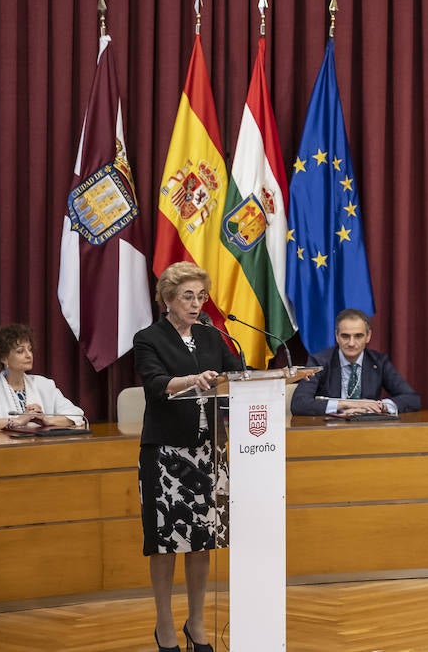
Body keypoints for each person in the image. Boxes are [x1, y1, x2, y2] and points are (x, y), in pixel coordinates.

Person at [132, 262, 243, 652]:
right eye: (187, 296)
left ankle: (196, 624)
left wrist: (280, 378)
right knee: (164, 544)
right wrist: (192, 381)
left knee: (201, 541)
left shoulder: (212, 336)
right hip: (166, 455)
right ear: (166, 299)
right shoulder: (149, 338)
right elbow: (156, 384)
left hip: (208, 452)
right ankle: (164, 626)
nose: (196, 304)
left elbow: (236, 375)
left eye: (201, 296)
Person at [290, 308, 420, 416]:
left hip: (367, 429)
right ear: (337, 336)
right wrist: (347, 404)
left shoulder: (379, 362)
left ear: (368, 336)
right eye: (345, 336)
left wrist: (381, 406)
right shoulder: (319, 362)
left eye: (358, 336)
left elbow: (412, 399)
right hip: (329, 432)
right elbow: (299, 403)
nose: (351, 343)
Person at [0, 324, 85, 432]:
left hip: (40, 450)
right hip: (1, 452)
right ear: (4, 358)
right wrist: (16, 421)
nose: (29, 355)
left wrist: (47, 420)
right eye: (20, 351)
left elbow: (77, 415)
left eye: (30, 349)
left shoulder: (45, 385)